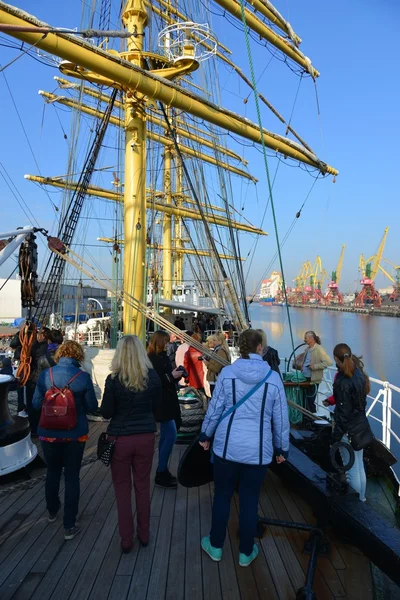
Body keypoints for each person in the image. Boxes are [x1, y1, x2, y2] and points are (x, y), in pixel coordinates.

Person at [199, 329, 289, 567]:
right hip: (258, 452)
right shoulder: (272, 378)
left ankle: (216, 546)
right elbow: (281, 418)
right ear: (260, 348)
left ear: (242, 348)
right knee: (250, 501)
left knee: (222, 497)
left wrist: (205, 434)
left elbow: (215, 409)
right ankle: (245, 552)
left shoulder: (228, 374)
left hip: (227, 448)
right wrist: (282, 449)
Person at [100, 336, 162, 552]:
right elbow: (158, 407)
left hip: (120, 439)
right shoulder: (152, 377)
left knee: (122, 490)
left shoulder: (113, 379)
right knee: (143, 487)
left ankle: (126, 540)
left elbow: (106, 412)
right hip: (145, 436)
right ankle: (144, 535)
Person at [32, 341, 98, 540]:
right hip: (74, 434)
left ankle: (52, 510)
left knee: (52, 471)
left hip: (48, 433)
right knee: (71, 476)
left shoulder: (46, 375)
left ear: (59, 354)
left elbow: (35, 404)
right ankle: (69, 525)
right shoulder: (83, 377)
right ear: (78, 356)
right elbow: (92, 407)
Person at [331, 343, 372, 502]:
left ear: (336, 358)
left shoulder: (343, 382)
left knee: (351, 470)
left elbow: (343, 414)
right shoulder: (359, 375)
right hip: (360, 426)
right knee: (359, 466)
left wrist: (335, 437)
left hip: (348, 431)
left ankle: (356, 506)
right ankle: (362, 499)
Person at [147, 331, 183, 488]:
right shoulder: (152, 359)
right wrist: (171, 376)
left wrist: (176, 375)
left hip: (168, 400)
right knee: (171, 435)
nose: (168, 345)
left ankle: (163, 469)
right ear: (160, 342)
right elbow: (153, 381)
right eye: (166, 342)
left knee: (166, 437)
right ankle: (161, 471)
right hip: (163, 402)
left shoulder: (161, 357)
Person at [300, 331, 332, 413]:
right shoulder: (308, 349)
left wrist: (314, 366)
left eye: (306, 338)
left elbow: (328, 362)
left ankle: (312, 420)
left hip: (312, 380)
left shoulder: (318, 349)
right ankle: (305, 419)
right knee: (304, 401)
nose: (304, 339)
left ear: (311, 339)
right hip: (304, 378)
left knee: (310, 402)